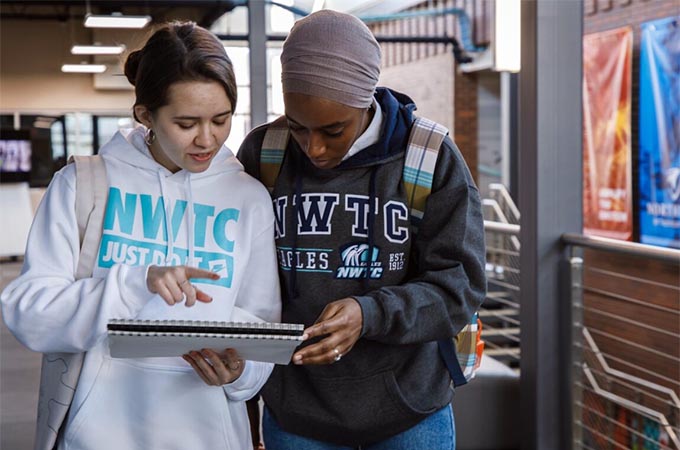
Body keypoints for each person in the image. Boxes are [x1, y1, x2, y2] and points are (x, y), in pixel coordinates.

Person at [1, 21, 281, 450]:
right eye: (186, 123)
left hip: (211, 437)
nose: (207, 139)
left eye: (221, 120)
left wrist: (241, 374)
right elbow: (28, 314)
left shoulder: (248, 198)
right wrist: (135, 283)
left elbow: (261, 328)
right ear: (145, 115)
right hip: (96, 438)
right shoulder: (83, 185)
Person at [237, 9, 486, 450]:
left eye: (333, 130)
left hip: (409, 411)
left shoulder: (429, 158)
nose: (313, 147)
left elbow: (459, 288)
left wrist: (369, 313)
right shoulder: (264, 152)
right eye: (299, 127)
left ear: (366, 100)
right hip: (296, 414)